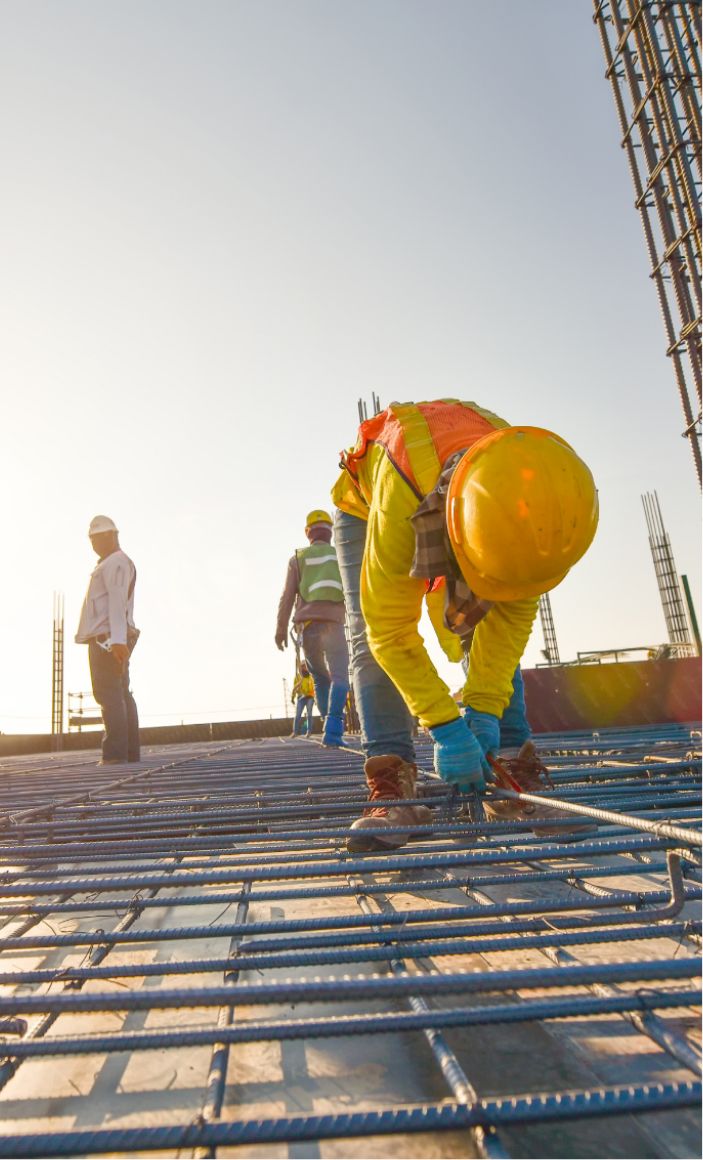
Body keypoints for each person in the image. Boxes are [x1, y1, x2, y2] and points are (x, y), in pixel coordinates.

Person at [331, 400, 599, 852]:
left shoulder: (536, 499)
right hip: (373, 502)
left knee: (489, 614)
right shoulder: (402, 500)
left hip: (466, 491)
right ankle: (394, 786)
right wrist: (446, 726)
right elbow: (390, 630)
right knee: (365, 635)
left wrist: (484, 711)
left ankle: (510, 769)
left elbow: (509, 621)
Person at [275, 510, 350, 746]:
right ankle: (334, 730)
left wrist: (280, 629)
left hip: (308, 628)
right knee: (340, 676)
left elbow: (287, 597)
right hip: (335, 625)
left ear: (308, 533)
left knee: (320, 679)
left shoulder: (298, 559)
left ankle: (329, 727)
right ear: (330, 532)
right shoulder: (341, 556)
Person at [75, 515, 141, 765]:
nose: (93, 544)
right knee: (121, 693)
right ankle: (129, 754)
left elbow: (116, 602)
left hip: (107, 640)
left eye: (95, 538)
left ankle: (115, 755)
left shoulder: (116, 563)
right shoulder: (113, 563)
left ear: (109, 536)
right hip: (113, 637)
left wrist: (117, 641)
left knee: (109, 694)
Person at [290, 661, 315, 737]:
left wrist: (316, 698)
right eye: (302, 666)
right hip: (301, 698)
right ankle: (295, 732)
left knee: (309, 714)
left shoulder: (311, 677)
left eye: (305, 666)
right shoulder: (297, 677)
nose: (304, 667)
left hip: (310, 697)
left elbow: (314, 688)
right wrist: (292, 698)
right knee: (298, 715)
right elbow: (294, 688)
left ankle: (309, 732)